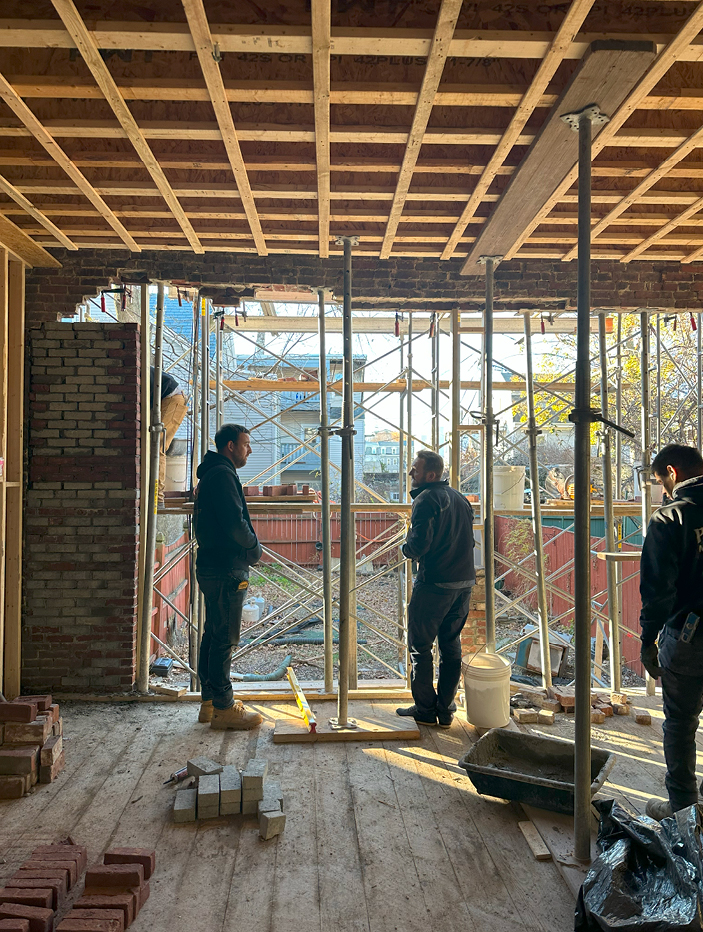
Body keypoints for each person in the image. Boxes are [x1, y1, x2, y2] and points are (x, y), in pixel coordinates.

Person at [639, 443, 703, 820]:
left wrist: (648, 639)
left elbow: (658, 589)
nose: (662, 489)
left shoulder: (672, 516)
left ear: (672, 473)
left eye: (660, 480)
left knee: (680, 722)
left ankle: (682, 808)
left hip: (690, 636)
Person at [396, 450, 476, 727]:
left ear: (430, 475)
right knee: (451, 645)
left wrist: (404, 547)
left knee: (420, 647)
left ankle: (426, 710)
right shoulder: (459, 498)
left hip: (435, 585)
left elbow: (418, 546)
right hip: (464, 584)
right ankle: (446, 710)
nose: (410, 473)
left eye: (415, 469)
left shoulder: (426, 499)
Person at [193, 423, 263, 730]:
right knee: (224, 636)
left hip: (212, 565)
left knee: (213, 632)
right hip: (225, 567)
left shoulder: (214, 472)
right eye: (246, 444)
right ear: (231, 446)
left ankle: (209, 702)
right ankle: (223, 706)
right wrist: (254, 546)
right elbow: (236, 523)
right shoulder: (222, 475)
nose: (249, 449)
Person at [151, 367, 187, 505]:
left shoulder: (139, 374)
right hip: (161, 398)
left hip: (172, 398)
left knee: (156, 444)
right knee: (149, 444)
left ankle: (157, 499)